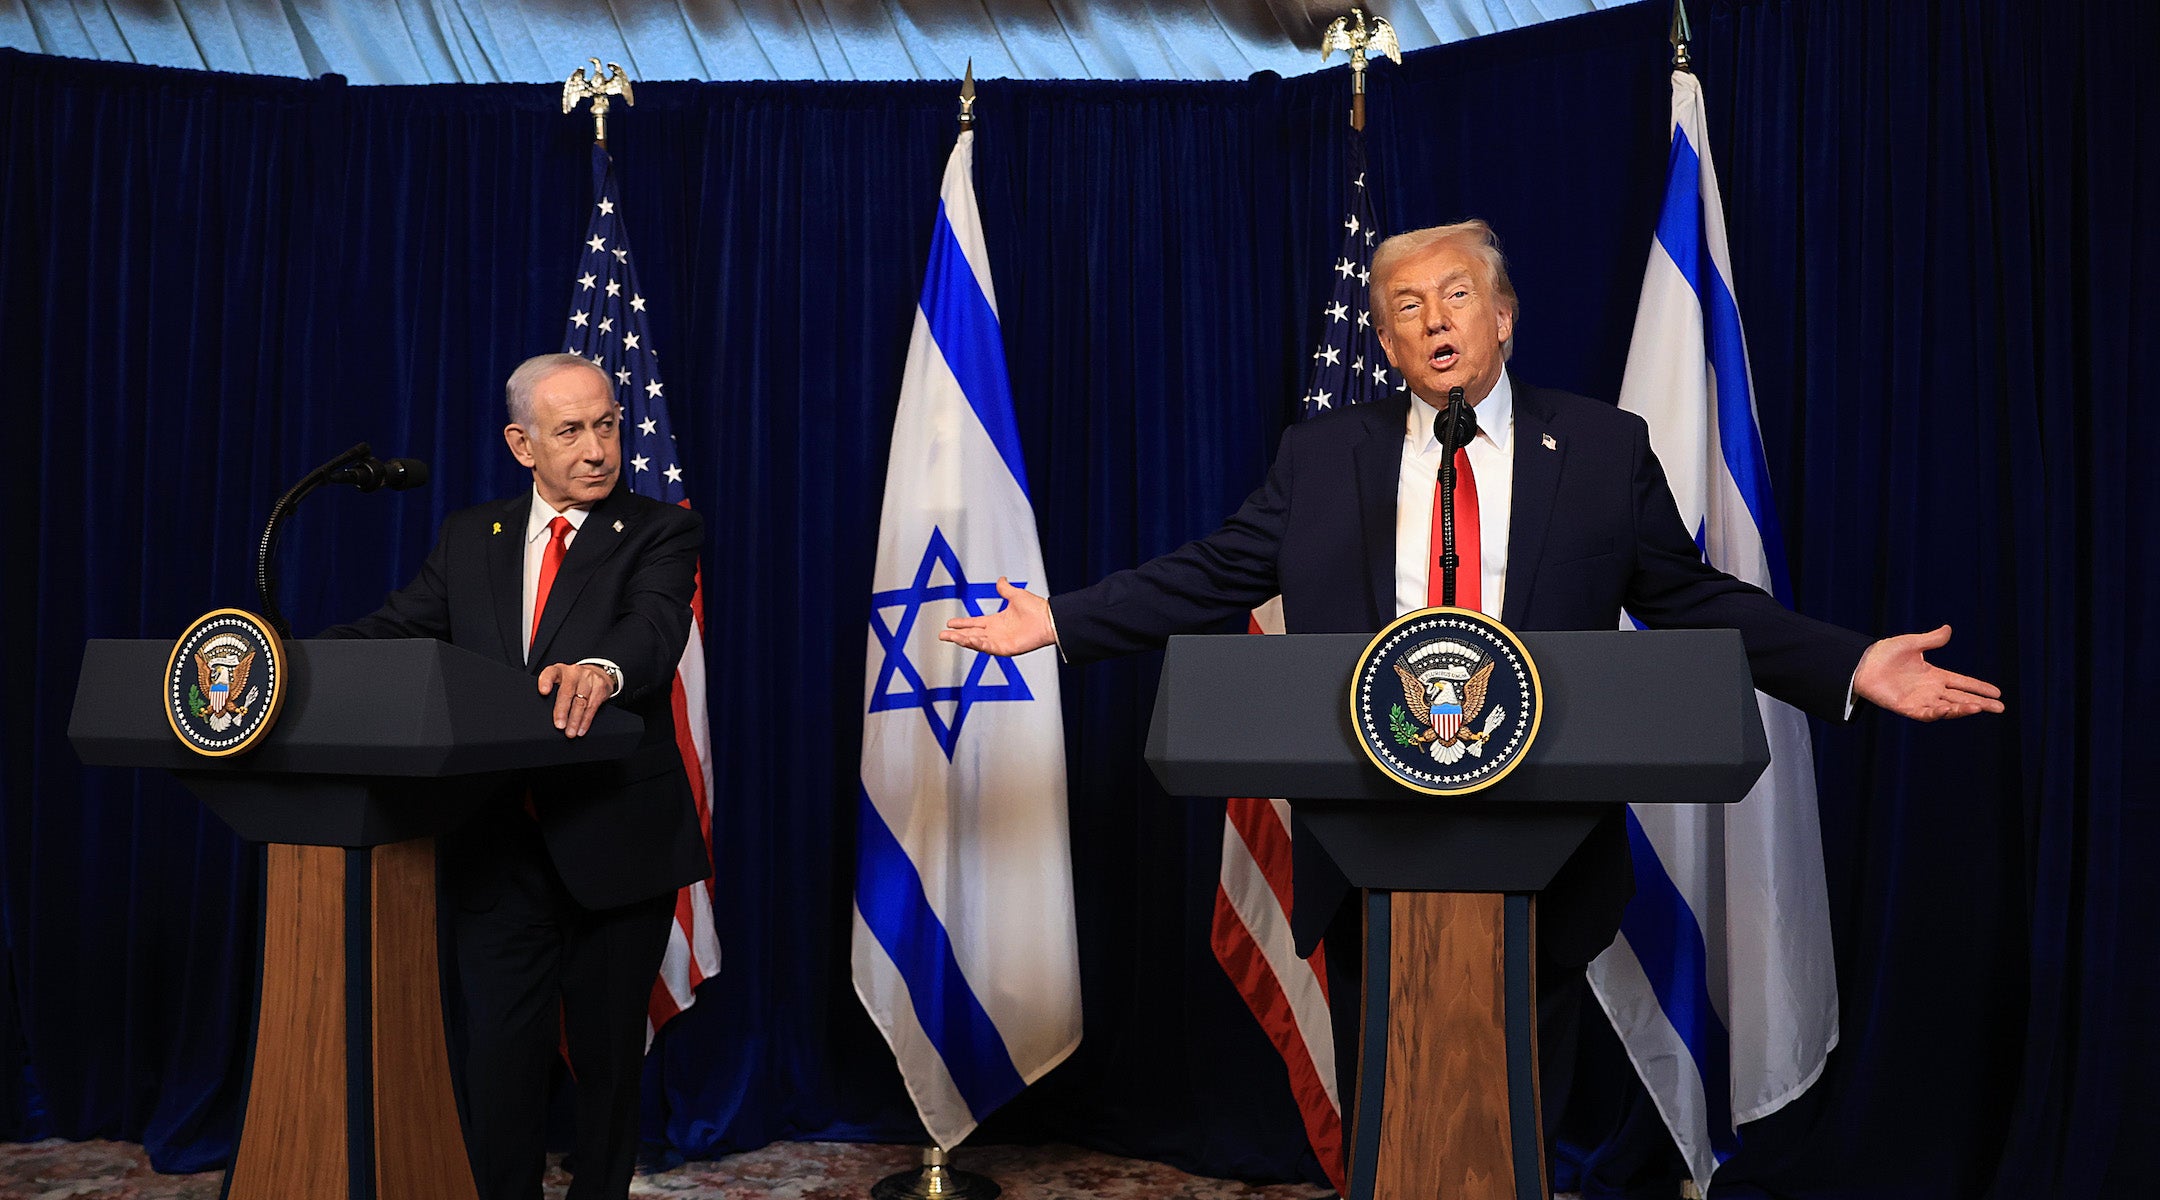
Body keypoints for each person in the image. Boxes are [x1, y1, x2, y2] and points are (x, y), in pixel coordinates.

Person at [938, 220, 2001, 1145]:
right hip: (1366, 838)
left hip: (1543, 843)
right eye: (1406, 307)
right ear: (1388, 342)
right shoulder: (1322, 457)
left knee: (1519, 1115)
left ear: (1504, 318)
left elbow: (1695, 599)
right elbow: (1214, 573)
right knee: (1388, 1115)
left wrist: (1850, 663)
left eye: (1456, 295)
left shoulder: (1599, 448)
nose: (1434, 320)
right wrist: (1060, 619)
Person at [323, 352, 709, 1200]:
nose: (598, 448)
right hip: (497, 847)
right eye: (570, 430)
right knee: (497, 1067)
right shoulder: (472, 535)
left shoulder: (659, 529)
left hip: (615, 843)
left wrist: (601, 669)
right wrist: (287, 663)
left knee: (610, 1074)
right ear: (522, 443)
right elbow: (397, 631)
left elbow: (650, 631)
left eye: (606, 424)